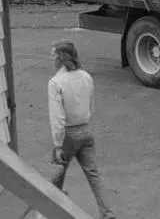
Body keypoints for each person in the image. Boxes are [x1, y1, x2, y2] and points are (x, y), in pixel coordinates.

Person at [47, 41, 116, 219]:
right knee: (93, 175)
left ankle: (54, 211)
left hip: (67, 135)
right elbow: (90, 104)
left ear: (62, 58)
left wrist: (58, 144)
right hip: (85, 130)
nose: (51, 58)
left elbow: (58, 118)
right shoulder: (86, 76)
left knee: (56, 175)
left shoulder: (55, 83)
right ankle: (107, 213)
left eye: (54, 55)